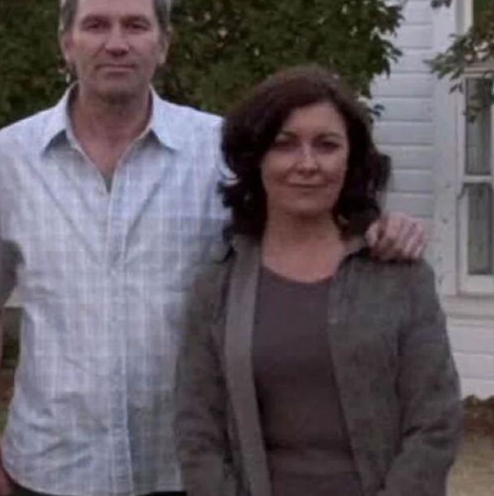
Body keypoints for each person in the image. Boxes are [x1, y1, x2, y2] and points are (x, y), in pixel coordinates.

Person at [0, 0, 428, 496]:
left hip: (189, 469)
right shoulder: (9, 159)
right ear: (66, 42)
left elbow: (306, 226)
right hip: (50, 469)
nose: (116, 42)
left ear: (163, 43)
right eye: (95, 25)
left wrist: (379, 229)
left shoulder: (220, 152)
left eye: (135, 25)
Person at [175, 65, 462, 496]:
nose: (307, 164)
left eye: (326, 145)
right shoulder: (217, 287)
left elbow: (434, 424)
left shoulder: (400, 277)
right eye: (285, 145)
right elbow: (199, 434)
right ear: (257, 159)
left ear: (351, 160)